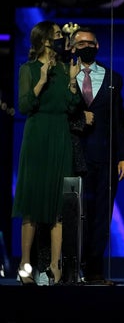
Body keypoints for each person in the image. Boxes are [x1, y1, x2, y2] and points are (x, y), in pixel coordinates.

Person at [12, 20, 82, 285]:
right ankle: (25, 265)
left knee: (57, 207)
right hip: (37, 137)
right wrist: (41, 80)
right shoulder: (27, 69)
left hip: (59, 136)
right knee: (32, 204)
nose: (60, 40)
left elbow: (72, 105)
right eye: (56, 36)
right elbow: (25, 105)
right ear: (43, 41)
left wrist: (73, 81)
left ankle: (55, 266)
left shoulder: (64, 70)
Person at [68, 27, 124, 285]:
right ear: (73, 47)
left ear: (98, 46)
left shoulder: (113, 77)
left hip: (104, 157)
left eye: (91, 43)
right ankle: (69, 270)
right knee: (72, 214)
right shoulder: (64, 77)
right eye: (81, 43)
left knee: (100, 215)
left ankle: (94, 270)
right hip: (71, 155)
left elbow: (119, 120)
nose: (86, 46)